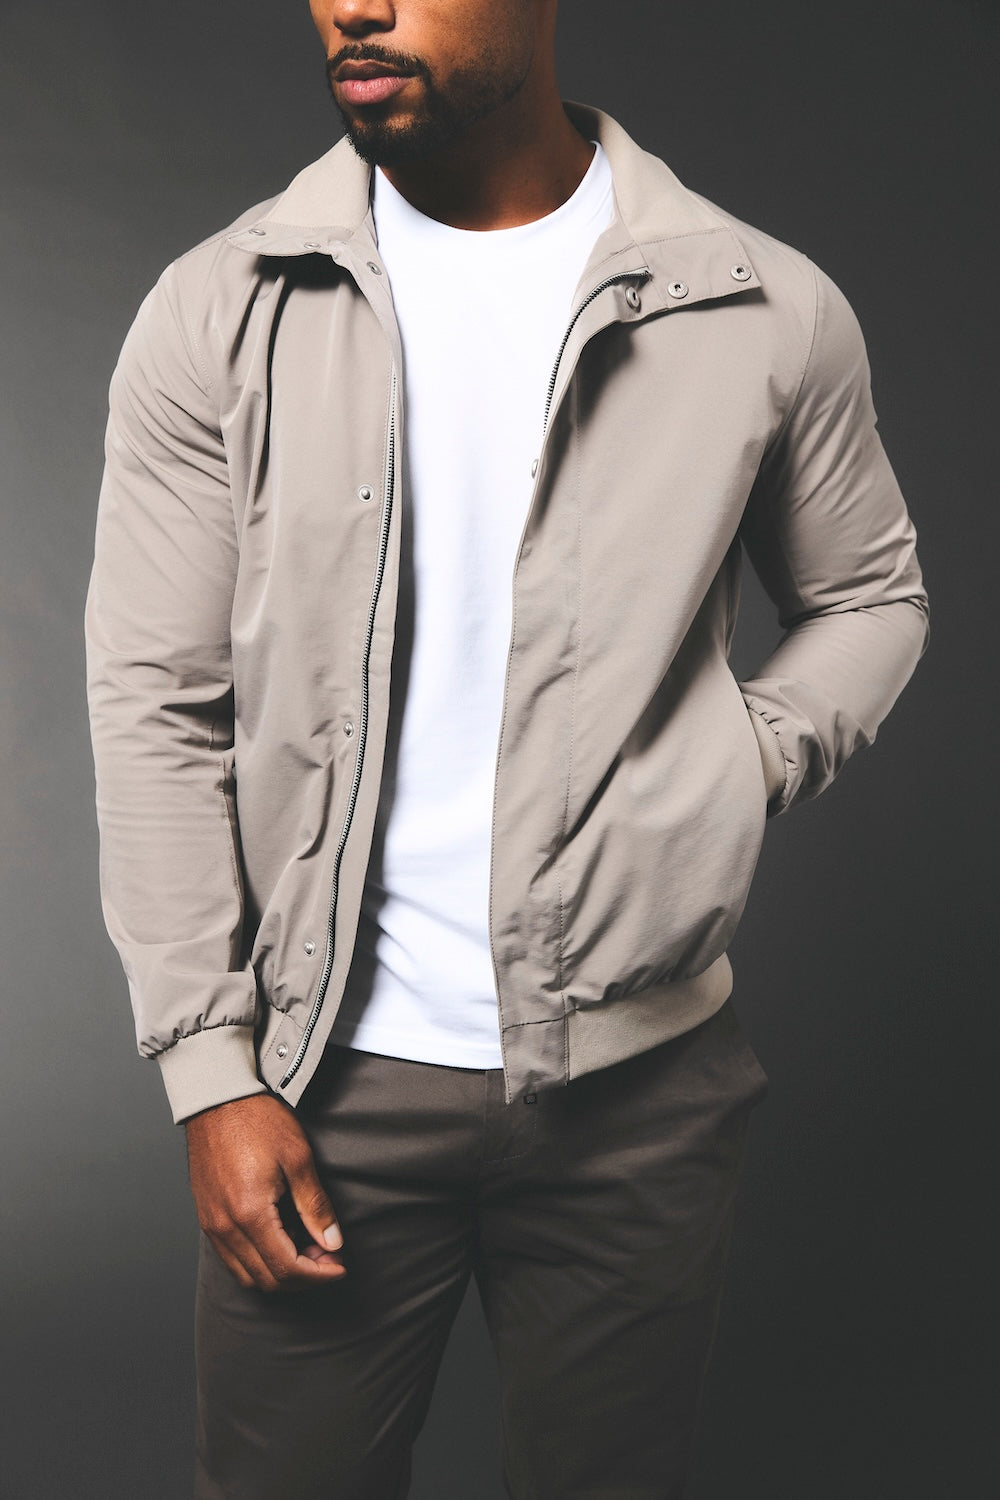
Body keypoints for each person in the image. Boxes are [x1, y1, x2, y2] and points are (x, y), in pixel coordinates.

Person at [85, 1, 929, 1496]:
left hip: (643, 1091)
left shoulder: (761, 305)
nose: (355, 4)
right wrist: (213, 1076)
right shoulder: (219, 307)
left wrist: (736, 763)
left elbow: (871, 597)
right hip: (318, 1085)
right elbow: (156, 700)